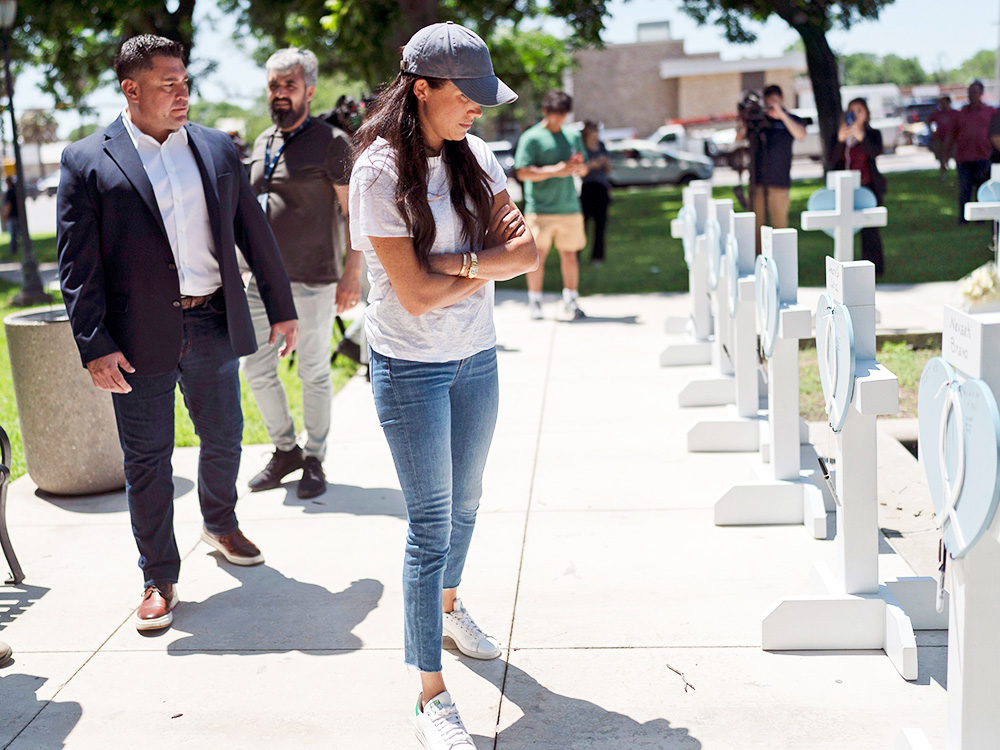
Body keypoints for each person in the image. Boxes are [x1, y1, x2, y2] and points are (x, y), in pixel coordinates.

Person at [56, 35, 298, 633]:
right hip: (136, 337)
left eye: (185, 81)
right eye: (168, 84)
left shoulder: (217, 148)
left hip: (214, 317)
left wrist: (282, 306)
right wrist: (94, 344)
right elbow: (76, 265)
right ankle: (158, 576)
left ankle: (219, 522)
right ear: (131, 89)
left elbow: (253, 233)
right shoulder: (87, 159)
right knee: (148, 458)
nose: (182, 93)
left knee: (225, 435)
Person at [350, 21, 536, 749]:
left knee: (469, 503)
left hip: (476, 357)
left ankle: (448, 609)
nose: (480, 110)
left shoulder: (476, 152)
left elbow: (525, 252)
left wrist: (455, 266)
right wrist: (479, 262)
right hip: (408, 369)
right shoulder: (376, 172)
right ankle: (430, 694)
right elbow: (413, 298)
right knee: (430, 525)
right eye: (468, 95)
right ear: (421, 89)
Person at [244, 48, 362, 499]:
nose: (279, 94)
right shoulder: (262, 142)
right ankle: (284, 450)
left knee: (313, 370)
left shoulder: (332, 142)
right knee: (256, 368)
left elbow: (355, 214)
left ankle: (314, 458)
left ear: (309, 91)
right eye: (274, 85)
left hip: (315, 277)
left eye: (288, 85)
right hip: (262, 281)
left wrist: (352, 273)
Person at [514, 90, 589, 320]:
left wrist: (578, 168)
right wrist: (553, 171)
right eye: (556, 115)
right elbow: (522, 172)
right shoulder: (532, 137)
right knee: (537, 256)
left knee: (570, 255)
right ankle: (535, 302)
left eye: (563, 115)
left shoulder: (572, 136)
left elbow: (584, 168)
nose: (560, 120)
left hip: (569, 207)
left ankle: (571, 300)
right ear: (546, 112)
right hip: (540, 209)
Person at [737, 84, 806, 246]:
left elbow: (801, 134)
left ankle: (781, 263)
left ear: (782, 99)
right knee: (756, 229)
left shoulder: (791, 119)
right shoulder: (759, 120)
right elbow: (739, 138)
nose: (772, 104)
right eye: (769, 100)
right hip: (757, 182)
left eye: (775, 100)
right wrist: (745, 118)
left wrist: (781, 115)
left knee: (779, 226)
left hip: (779, 182)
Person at [830, 98, 887, 276]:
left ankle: (873, 269)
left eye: (859, 110)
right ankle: (842, 268)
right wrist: (840, 140)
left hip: (867, 185)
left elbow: (875, 152)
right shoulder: (839, 135)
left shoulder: (873, 134)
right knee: (843, 229)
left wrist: (862, 136)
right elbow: (831, 160)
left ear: (867, 114)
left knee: (870, 230)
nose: (855, 114)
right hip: (844, 189)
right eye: (852, 110)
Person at [947, 80, 996, 224]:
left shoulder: (990, 112)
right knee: (965, 189)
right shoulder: (960, 113)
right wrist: (945, 157)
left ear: (981, 93)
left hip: (984, 156)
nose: (971, 94)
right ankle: (963, 219)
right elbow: (951, 135)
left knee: (982, 189)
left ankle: (981, 219)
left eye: (974, 91)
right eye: (969, 91)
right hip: (964, 158)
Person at [580, 121, 612, 266]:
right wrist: (593, 164)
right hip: (587, 188)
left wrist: (604, 163)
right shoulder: (582, 148)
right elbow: (581, 169)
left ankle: (597, 257)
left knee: (601, 225)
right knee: (582, 225)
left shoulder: (602, 146)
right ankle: (576, 255)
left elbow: (608, 169)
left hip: (602, 188)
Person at [928, 95, 957, 179]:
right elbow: (929, 121)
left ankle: (959, 173)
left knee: (956, 155)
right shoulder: (937, 113)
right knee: (941, 156)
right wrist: (933, 132)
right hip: (940, 138)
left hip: (953, 139)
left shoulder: (955, 113)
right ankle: (943, 173)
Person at [3, 176, 18, 257]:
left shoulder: (10, 192)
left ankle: (13, 251)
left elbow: (8, 205)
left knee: (13, 235)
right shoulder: (15, 190)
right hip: (17, 215)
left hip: (12, 216)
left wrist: (5, 215)